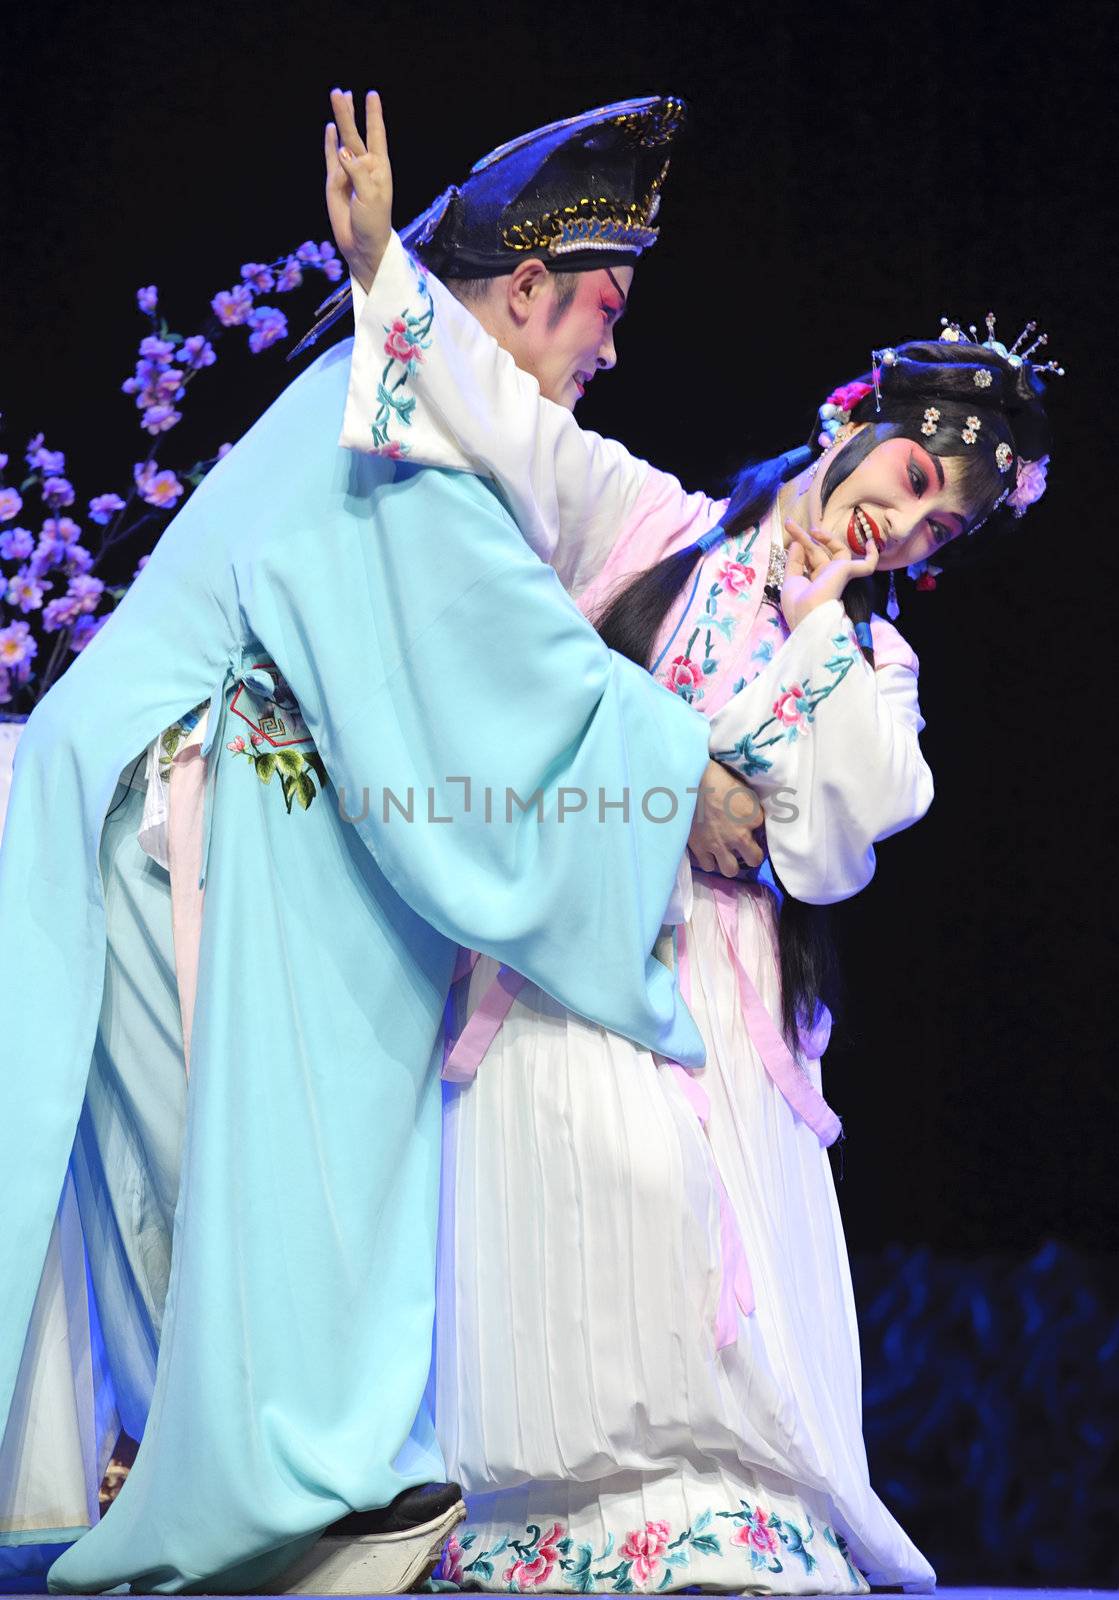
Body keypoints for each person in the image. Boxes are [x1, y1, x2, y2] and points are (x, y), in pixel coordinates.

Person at [0, 96, 723, 1597]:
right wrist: (675, 771)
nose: (608, 343)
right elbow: (497, 654)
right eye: (603, 304)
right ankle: (282, 1493)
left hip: (167, 803)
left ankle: (260, 1499)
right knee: (269, 1165)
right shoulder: (396, 411)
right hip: (186, 812)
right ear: (521, 291)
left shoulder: (420, 405)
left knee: (225, 1181)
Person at [335, 104, 1054, 1594]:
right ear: (858, 416)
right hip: (563, 948)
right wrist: (379, 275)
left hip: (716, 992)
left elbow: (847, 829)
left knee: (687, 1246)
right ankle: (529, 1527)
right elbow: (509, 420)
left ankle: (715, 1522)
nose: (907, 531)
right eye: (914, 482)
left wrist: (815, 622)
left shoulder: (870, 665)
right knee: (555, 1212)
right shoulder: (654, 529)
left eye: (939, 536)